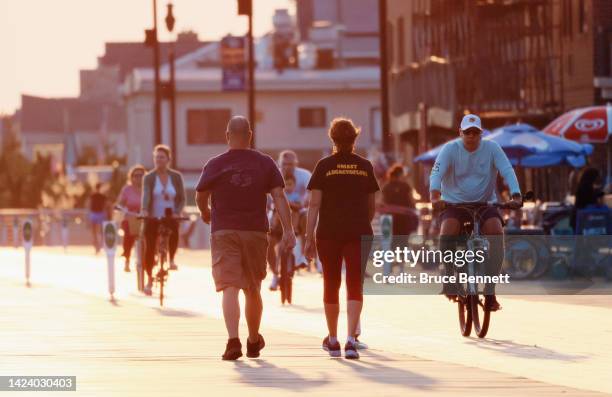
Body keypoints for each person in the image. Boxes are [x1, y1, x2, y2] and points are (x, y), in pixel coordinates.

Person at [195, 116, 296, 361]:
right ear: (250, 135)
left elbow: (201, 195)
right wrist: (289, 230)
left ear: (227, 135)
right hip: (255, 232)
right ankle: (253, 340)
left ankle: (232, 341)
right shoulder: (265, 163)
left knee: (229, 286)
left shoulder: (215, 164)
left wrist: (206, 213)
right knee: (252, 288)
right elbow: (279, 197)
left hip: (224, 232)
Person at [305, 117, 380, 360]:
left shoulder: (323, 166)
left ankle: (333, 339)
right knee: (355, 283)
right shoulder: (365, 166)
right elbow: (371, 207)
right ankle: (350, 340)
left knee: (331, 282)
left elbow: (314, 205)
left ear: (332, 139)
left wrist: (307, 237)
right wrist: (360, 223)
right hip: (358, 231)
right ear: (354, 139)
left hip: (328, 232)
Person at [429, 114, 522, 311]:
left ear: (481, 133)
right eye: (468, 132)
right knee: (448, 231)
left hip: (484, 203)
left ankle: (490, 291)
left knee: (496, 232)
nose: (472, 136)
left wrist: (516, 194)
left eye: (476, 132)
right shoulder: (450, 149)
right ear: (460, 133)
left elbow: (507, 170)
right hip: (454, 204)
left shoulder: (492, 148)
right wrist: (435, 197)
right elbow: (436, 173)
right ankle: (449, 277)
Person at [141, 145, 186, 296]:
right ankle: (148, 280)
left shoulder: (176, 177)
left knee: (174, 228)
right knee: (149, 245)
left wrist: (178, 211)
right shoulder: (149, 177)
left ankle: (171, 259)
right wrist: (145, 210)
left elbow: (181, 197)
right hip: (153, 216)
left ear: (168, 159)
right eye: (156, 157)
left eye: (162, 157)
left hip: (170, 215)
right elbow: (146, 195)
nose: (159, 160)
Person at [268, 150, 312, 290]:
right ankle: (275, 275)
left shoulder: (304, 175)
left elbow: (311, 192)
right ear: (280, 163)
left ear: (296, 163)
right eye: (285, 164)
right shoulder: (272, 174)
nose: (288, 166)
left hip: (298, 214)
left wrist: (304, 201)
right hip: (276, 215)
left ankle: (304, 257)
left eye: (291, 164)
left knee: (308, 220)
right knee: (268, 244)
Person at [116, 165, 146, 272]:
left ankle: (152, 256)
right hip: (130, 217)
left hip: (144, 217)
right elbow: (120, 203)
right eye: (136, 175)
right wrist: (119, 208)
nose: (138, 178)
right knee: (128, 235)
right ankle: (127, 258)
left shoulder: (148, 188)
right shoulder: (127, 189)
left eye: (141, 175)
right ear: (131, 177)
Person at [571, 167, 601, 232]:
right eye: (596, 176)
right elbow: (590, 198)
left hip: (579, 217)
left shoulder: (583, 185)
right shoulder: (586, 186)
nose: (597, 178)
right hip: (581, 218)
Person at [88, 183, 108, 254]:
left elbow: (105, 205)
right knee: (95, 232)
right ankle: (97, 246)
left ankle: (100, 245)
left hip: (99, 214)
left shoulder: (103, 196)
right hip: (95, 213)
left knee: (100, 231)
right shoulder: (93, 195)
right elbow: (89, 204)